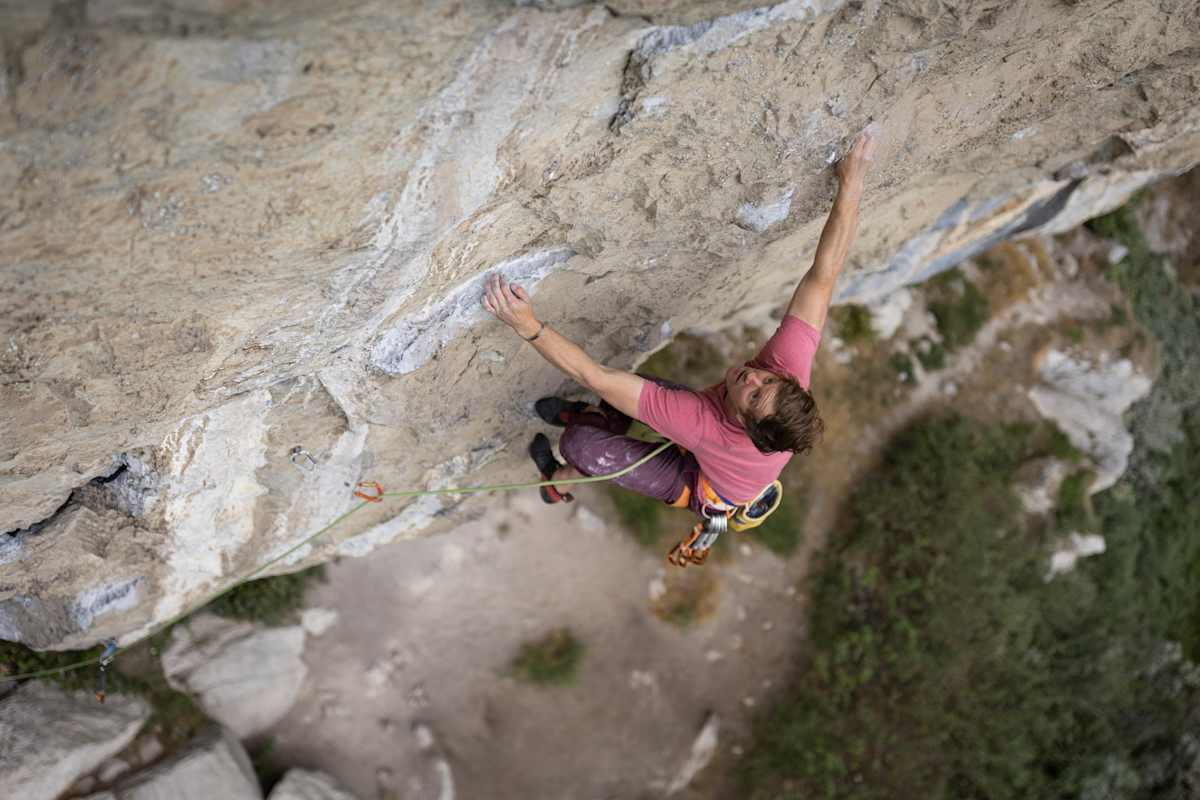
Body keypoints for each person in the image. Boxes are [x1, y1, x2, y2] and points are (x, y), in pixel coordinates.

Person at [481, 127, 878, 524]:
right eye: (768, 382)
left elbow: (595, 376)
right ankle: (595, 418)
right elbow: (823, 276)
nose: (753, 378)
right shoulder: (784, 375)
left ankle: (558, 482)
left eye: (754, 397)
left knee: (582, 445)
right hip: (720, 448)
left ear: (746, 423)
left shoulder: (705, 425)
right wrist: (851, 187)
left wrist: (527, 325)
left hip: (700, 482)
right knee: (635, 390)